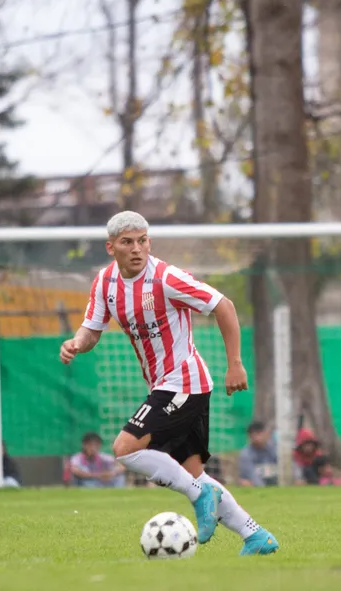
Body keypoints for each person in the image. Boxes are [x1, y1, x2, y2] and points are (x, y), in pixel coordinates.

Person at [59, 210, 278, 556]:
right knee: (194, 473)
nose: (137, 248)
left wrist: (235, 364)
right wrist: (76, 343)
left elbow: (224, 305)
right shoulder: (105, 283)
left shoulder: (166, 278)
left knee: (125, 449)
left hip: (184, 383)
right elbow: (92, 330)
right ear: (111, 247)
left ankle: (201, 495)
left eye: (142, 240)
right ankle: (256, 535)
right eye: (127, 242)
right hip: (167, 385)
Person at [238, 421, 279, 487]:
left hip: (275, 482)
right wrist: (262, 487)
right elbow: (252, 475)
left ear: (266, 434)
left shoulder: (275, 449)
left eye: (259, 434)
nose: (257, 438)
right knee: (245, 483)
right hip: (256, 484)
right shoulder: (246, 454)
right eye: (254, 435)